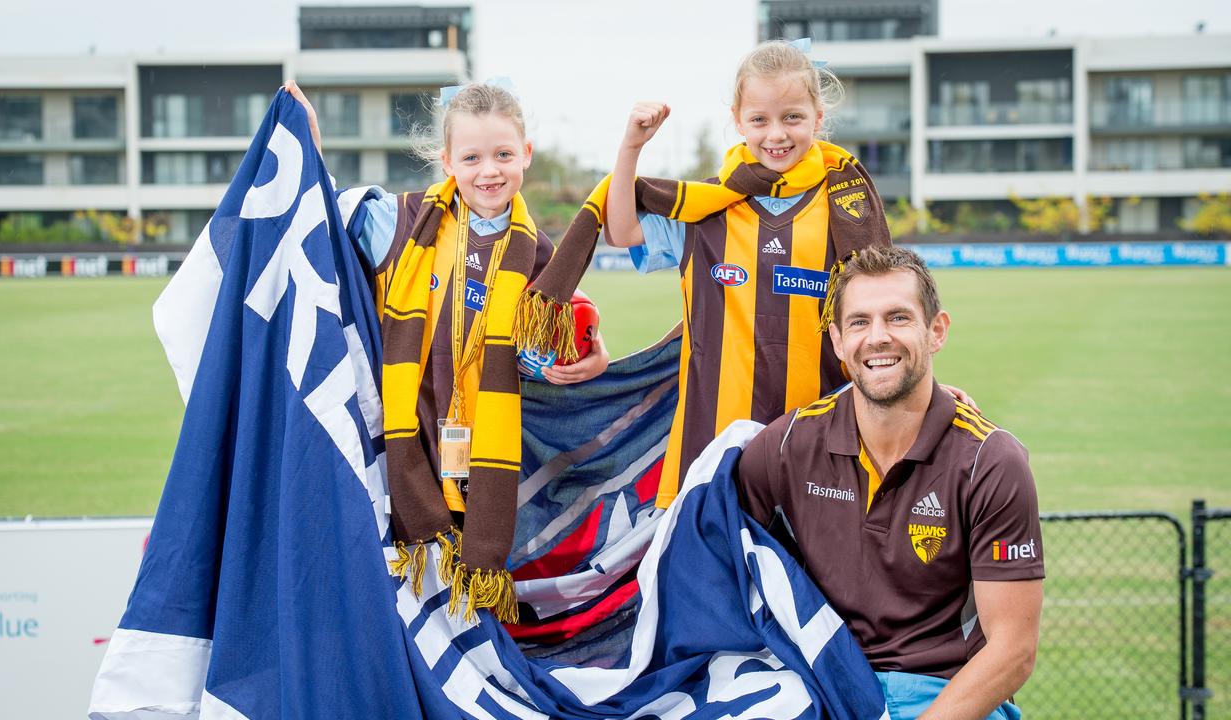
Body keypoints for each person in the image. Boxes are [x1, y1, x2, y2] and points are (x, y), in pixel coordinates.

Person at [598, 39, 973, 509]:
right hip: (712, 448)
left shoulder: (844, 208)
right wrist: (631, 146)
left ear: (818, 118)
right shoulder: (707, 207)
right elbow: (622, 229)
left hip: (823, 451)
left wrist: (923, 389)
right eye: (760, 120)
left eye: (792, 117)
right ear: (739, 120)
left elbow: (884, 310)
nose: (776, 133)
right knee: (714, 580)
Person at [284, 79, 608, 622]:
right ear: (447, 161)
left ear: (526, 154)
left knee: (469, 597)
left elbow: (561, 336)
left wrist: (588, 360)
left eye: (504, 154)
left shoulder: (541, 254)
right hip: (402, 440)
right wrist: (308, 146)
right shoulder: (403, 220)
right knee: (401, 599)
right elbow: (321, 218)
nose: (489, 170)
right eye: (472, 156)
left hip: (488, 454)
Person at [736, 245, 1043, 719]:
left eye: (898, 318)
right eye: (859, 322)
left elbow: (1012, 652)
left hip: (943, 696)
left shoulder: (990, 459)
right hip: (823, 689)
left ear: (936, 331)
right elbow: (705, 542)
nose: (877, 338)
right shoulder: (788, 445)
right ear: (837, 341)